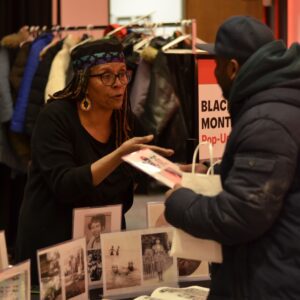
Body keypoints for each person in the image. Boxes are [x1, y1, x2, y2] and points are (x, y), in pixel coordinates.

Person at [15, 36, 174, 285]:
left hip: (105, 247)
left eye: (123, 74)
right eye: (106, 76)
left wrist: (175, 171)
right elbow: (65, 185)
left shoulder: (125, 120)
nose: (119, 84)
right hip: (54, 249)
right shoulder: (55, 117)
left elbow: (139, 169)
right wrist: (118, 155)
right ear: (83, 80)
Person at [164, 15, 300, 300]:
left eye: (216, 65)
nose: (213, 73)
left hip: (268, 281)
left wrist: (179, 201)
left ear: (233, 68)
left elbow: (240, 214)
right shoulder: (278, 103)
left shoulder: (267, 120)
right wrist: (215, 171)